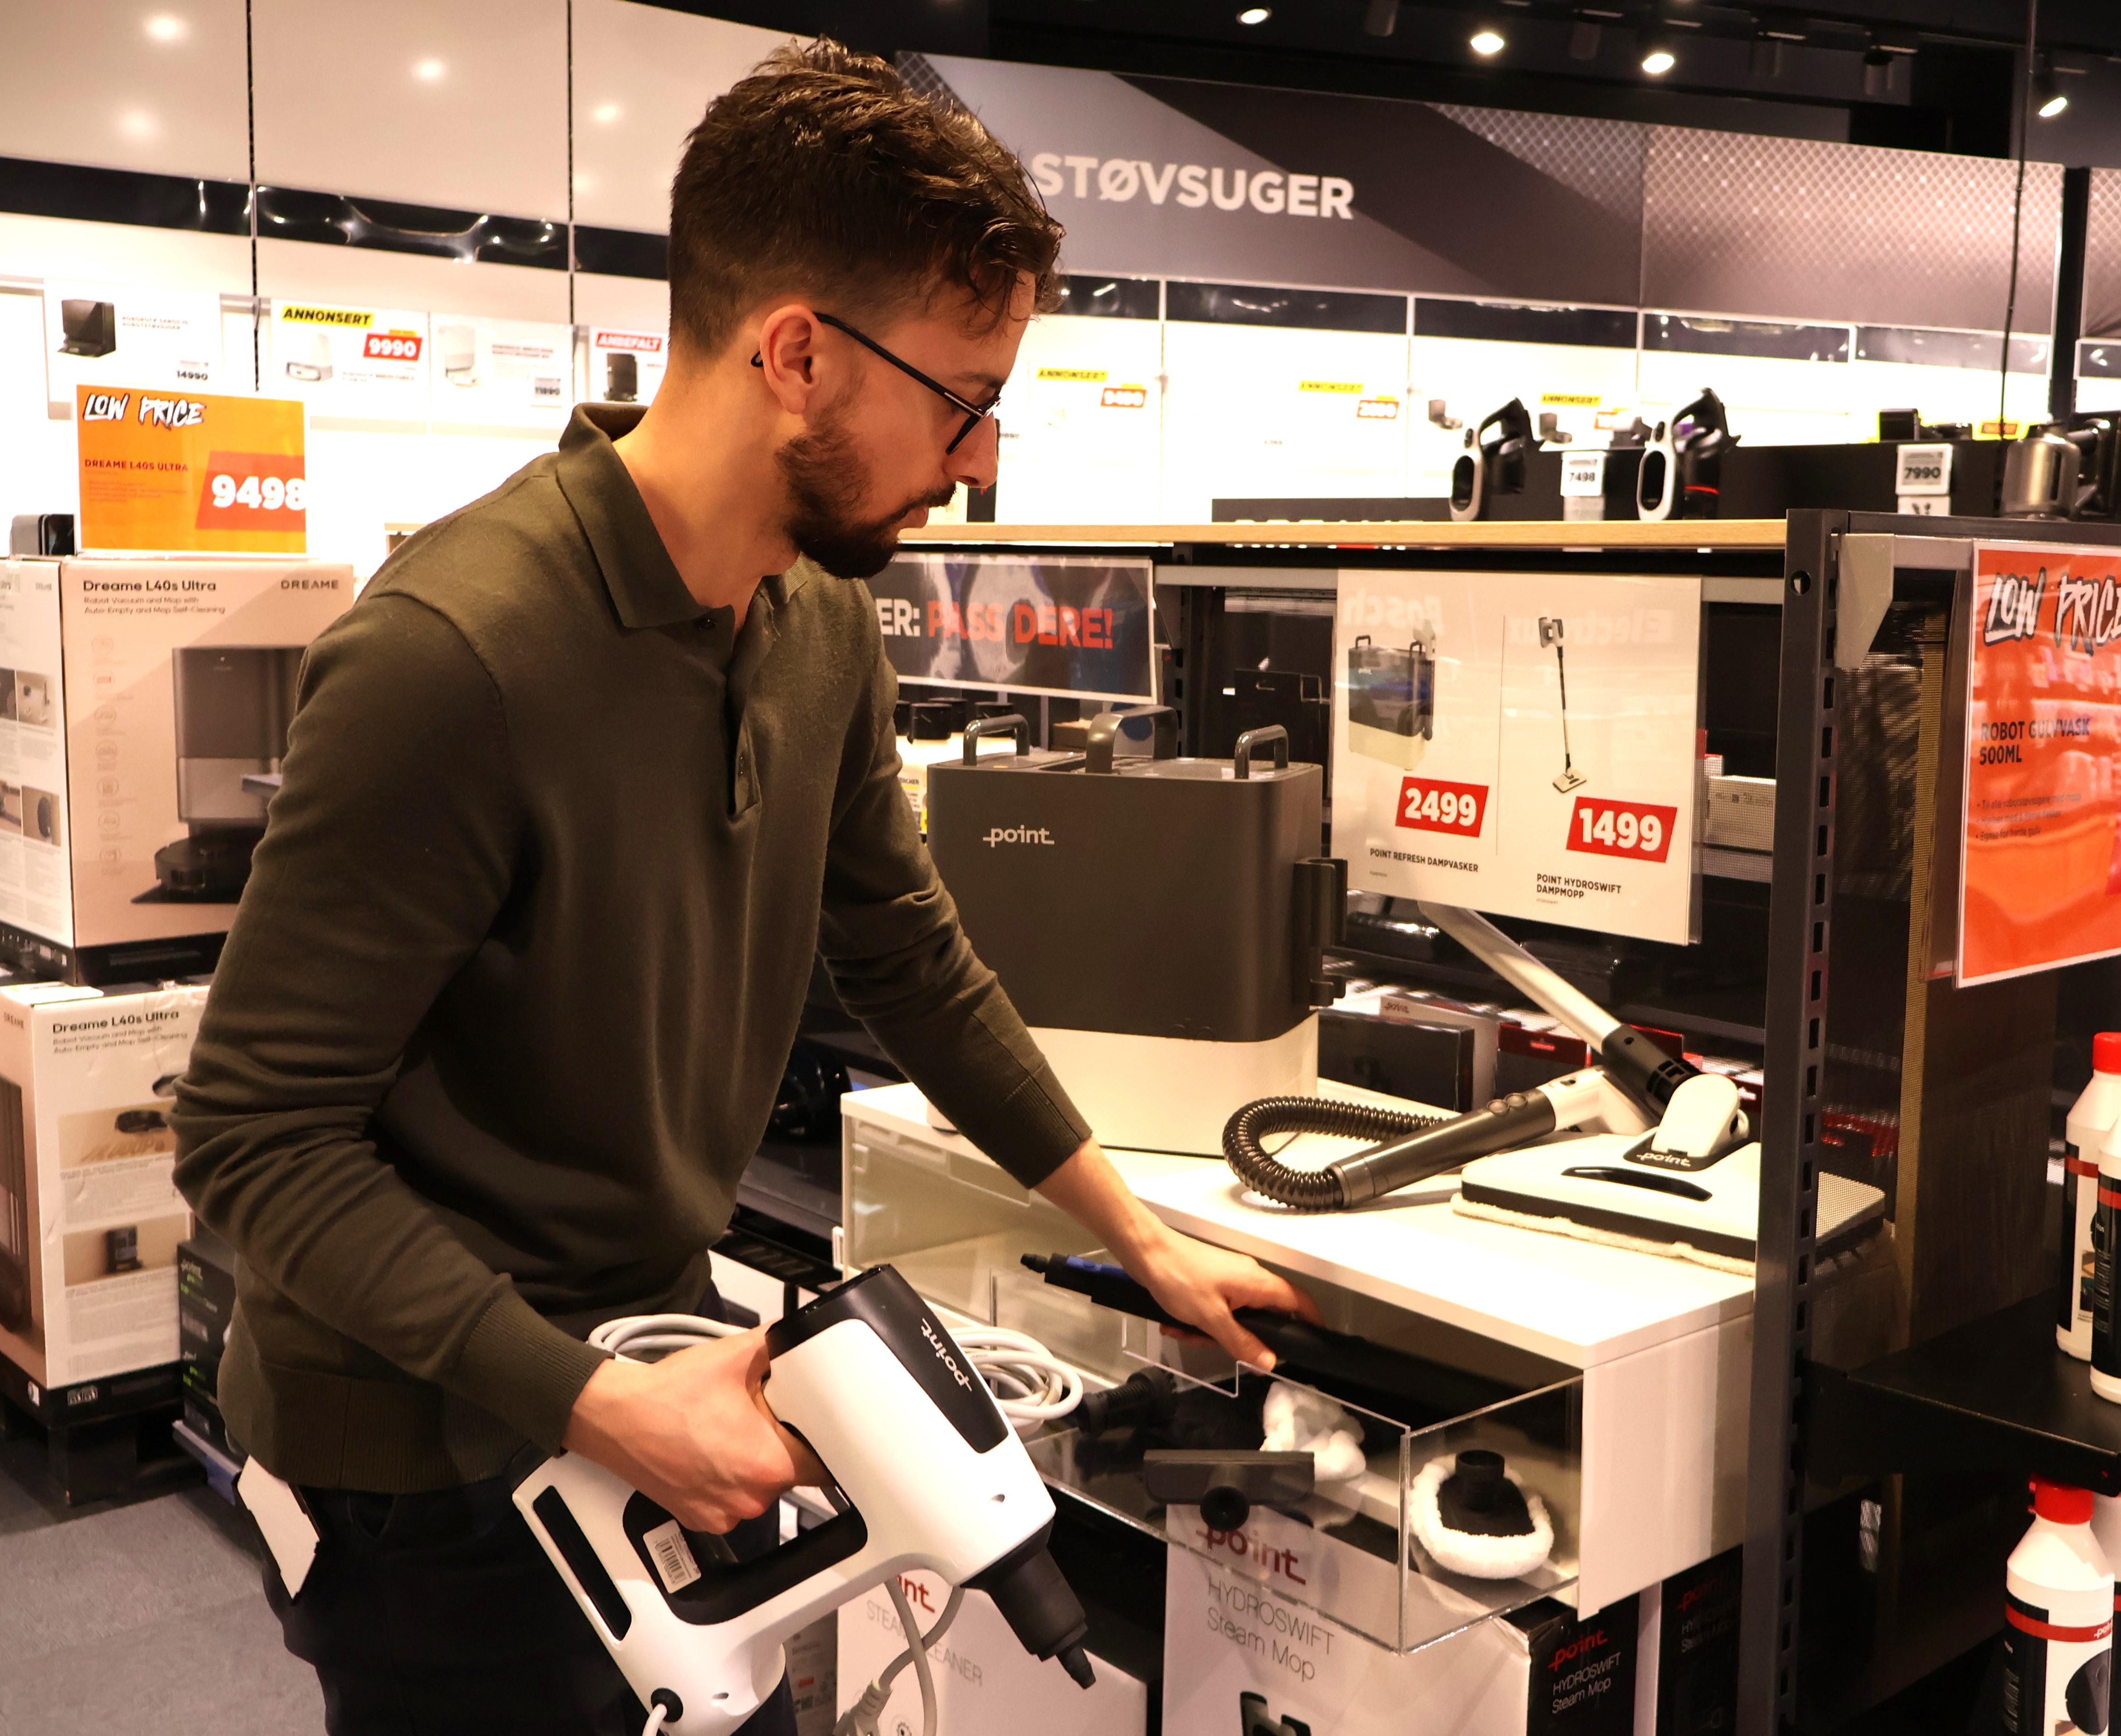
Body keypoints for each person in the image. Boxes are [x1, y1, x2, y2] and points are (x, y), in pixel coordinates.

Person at [170, 40, 1311, 1734]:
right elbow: (253, 1137)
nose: (981, 457)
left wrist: (1137, 1234)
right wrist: (592, 1400)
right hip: (424, 1450)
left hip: (653, 1349)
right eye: (962, 397)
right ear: (796, 354)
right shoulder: (450, 656)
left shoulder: (820, 615)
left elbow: (907, 951)